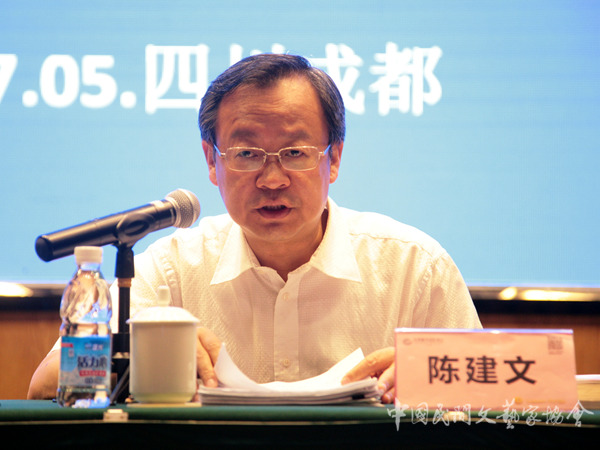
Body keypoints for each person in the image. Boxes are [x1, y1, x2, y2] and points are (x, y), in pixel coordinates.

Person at [28, 53, 481, 403]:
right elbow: (44, 386)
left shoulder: (413, 266)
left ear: (335, 158)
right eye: (246, 154)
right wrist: (143, 354)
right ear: (212, 160)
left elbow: (500, 394)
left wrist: (434, 374)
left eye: (296, 153)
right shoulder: (171, 268)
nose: (272, 179)